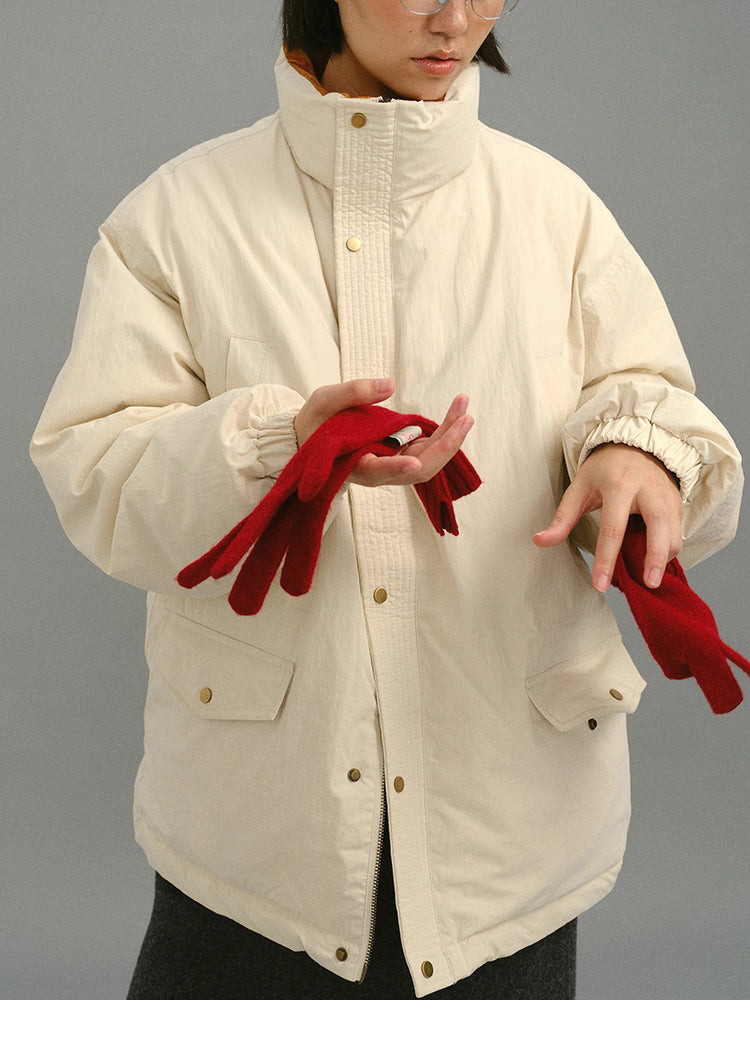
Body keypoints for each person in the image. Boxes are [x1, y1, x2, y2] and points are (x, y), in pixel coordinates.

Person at [29, 0, 743, 1000]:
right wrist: (281, 444)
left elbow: (651, 395)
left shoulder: (556, 211)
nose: (455, 16)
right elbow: (97, 474)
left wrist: (639, 452)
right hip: (256, 841)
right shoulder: (176, 218)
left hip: (509, 840)